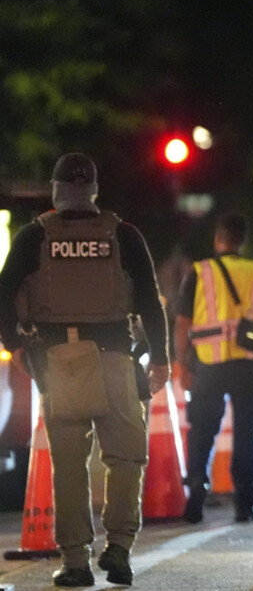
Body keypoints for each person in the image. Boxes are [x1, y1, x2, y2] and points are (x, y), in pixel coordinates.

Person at [0, 153, 170, 587]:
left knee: (70, 465)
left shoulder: (35, 235)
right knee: (126, 457)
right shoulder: (123, 234)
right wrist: (161, 358)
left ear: (56, 189)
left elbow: (3, 295)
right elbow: (149, 300)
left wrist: (15, 347)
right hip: (115, 358)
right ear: (94, 189)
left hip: (59, 364)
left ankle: (76, 562)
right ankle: (120, 549)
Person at [174, 212, 253, 524]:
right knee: (246, 435)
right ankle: (245, 504)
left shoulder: (200, 272)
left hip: (208, 366)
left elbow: (182, 323)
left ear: (218, 239)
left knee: (202, 432)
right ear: (243, 241)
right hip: (247, 367)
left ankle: (196, 493)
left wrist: (181, 364)